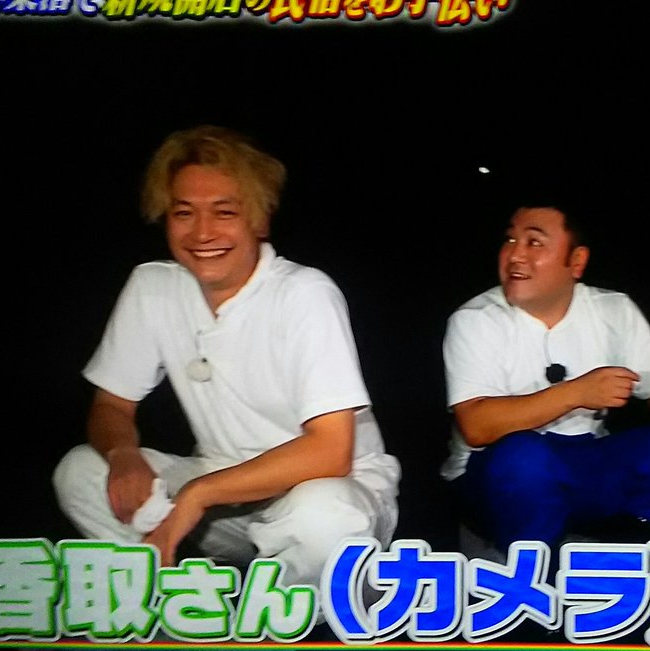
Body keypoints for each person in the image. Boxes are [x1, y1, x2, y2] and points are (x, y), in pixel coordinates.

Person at [53, 125, 400, 589]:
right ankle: (168, 598)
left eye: (225, 211)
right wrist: (122, 453)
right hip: (222, 490)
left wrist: (198, 495)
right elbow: (111, 405)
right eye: (183, 212)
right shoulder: (152, 286)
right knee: (82, 470)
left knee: (323, 515)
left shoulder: (304, 293)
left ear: (260, 219)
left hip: (329, 488)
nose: (202, 232)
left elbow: (330, 451)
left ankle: (284, 612)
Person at [441, 200, 650, 552]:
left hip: (583, 458)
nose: (515, 255)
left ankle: (645, 557)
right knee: (523, 458)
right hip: (494, 473)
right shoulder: (476, 319)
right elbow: (477, 425)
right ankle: (535, 569)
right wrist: (576, 393)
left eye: (534, 242)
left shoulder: (613, 310)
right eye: (510, 240)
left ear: (576, 261)